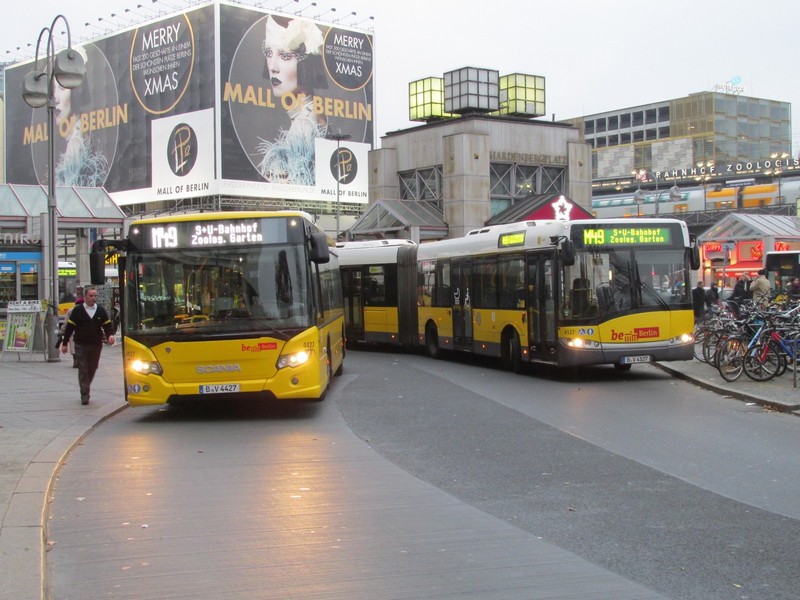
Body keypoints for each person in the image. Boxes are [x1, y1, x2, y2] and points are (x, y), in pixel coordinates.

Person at [256, 15, 328, 185]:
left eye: (285, 56)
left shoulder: (303, 124)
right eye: (269, 53)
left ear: (305, 65)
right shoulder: (311, 114)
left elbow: (298, 185)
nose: (273, 67)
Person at [53, 45, 109, 187]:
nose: (55, 98)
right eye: (53, 89)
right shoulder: (76, 136)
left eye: (61, 88)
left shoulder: (76, 143)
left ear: (76, 92)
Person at [60, 286, 116, 405]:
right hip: (80, 344)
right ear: (85, 297)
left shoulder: (100, 311)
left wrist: (110, 335)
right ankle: (85, 394)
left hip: (96, 344)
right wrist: (64, 344)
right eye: (91, 296)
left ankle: (85, 385)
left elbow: (107, 325)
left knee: (93, 367)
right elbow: (70, 328)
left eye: (95, 296)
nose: (93, 298)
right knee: (83, 369)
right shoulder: (78, 311)